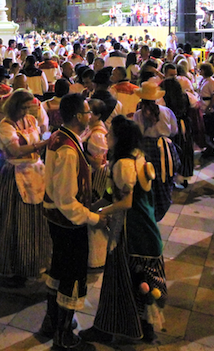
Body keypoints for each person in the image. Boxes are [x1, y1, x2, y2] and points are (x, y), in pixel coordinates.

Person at [80, 116, 165, 345]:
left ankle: (106, 329)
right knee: (142, 282)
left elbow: (125, 203)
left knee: (117, 282)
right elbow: (113, 193)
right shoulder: (139, 157)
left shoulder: (122, 165)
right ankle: (145, 328)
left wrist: (100, 213)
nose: (107, 137)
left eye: (110, 134)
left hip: (129, 233)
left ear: (120, 138)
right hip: (147, 229)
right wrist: (93, 206)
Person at [41, 93, 107, 351]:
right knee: (72, 275)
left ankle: (51, 321)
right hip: (68, 222)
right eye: (87, 111)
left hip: (57, 218)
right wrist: (93, 218)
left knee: (58, 268)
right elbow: (66, 199)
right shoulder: (68, 149)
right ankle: (64, 336)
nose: (90, 115)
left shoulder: (61, 136)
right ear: (78, 116)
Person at [0, 89, 51, 283]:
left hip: (35, 173)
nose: (27, 111)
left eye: (29, 107)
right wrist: (40, 145)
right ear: (15, 106)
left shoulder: (31, 121)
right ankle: (16, 266)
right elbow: (15, 150)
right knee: (16, 221)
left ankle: (35, 261)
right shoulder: (5, 126)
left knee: (35, 219)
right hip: (16, 174)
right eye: (24, 107)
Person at [133, 81, 180, 221]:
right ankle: (163, 206)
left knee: (149, 179)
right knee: (165, 179)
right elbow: (174, 130)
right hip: (165, 149)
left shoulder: (138, 115)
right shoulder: (166, 112)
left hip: (146, 150)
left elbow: (137, 133)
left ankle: (151, 209)